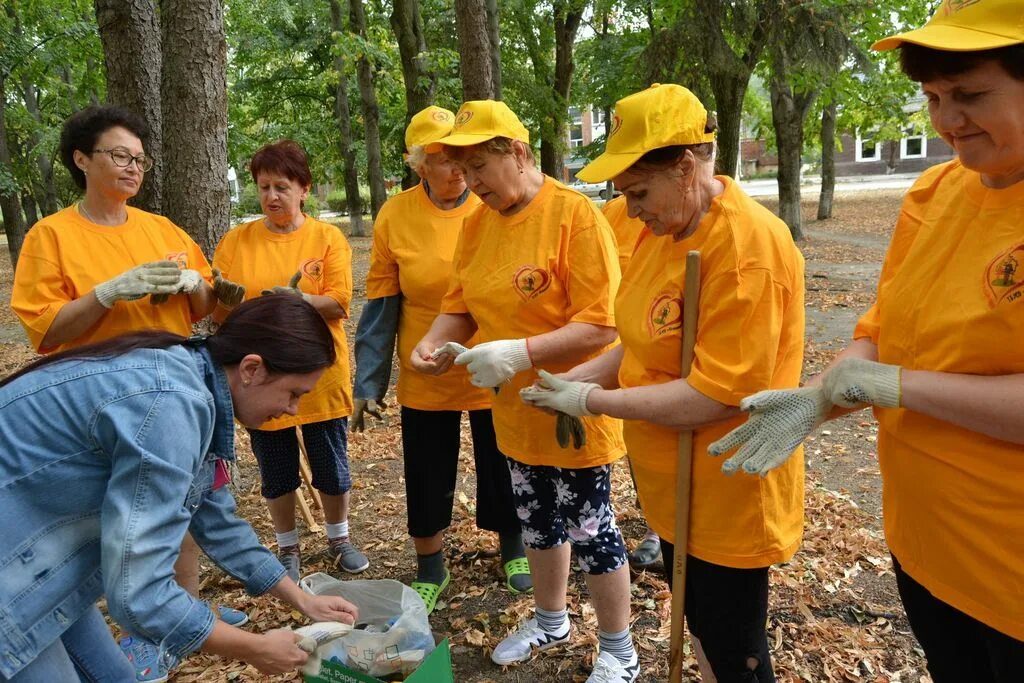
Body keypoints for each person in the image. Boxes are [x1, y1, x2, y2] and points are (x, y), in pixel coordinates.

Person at [708, 3, 1024, 680]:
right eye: (934, 97)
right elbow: (883, 328)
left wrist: (892, 387)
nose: (945, 120)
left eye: (969, 95)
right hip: (927, 549)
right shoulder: (937, 192)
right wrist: (827, 391)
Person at [522, 84, 805, 682]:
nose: (630, 208)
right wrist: (579, 376)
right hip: (674, 488)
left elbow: (715, 395)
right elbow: (641, 338)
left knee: (737, 652)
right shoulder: (661, 229)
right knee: (700, 626)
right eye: (623, 194)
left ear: (685, 167)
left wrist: (593, 400)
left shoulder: (747, 249)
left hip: (727, 491)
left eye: (638, 192)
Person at [0, 296, 360, 683]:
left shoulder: (195, 381)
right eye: (294, 394)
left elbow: (218, 521)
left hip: (40, 563)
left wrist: (303, 600)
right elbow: (140, 595)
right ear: (251, 368)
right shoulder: (170, 407)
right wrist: (253, 647)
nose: (293, 410)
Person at [9, 104, 249, 680]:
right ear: (81, 159)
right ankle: (102, 622)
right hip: (94, 408)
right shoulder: (53, 235)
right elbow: (45, 330)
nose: (132, 167)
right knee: (113, 518)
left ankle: (178, 624)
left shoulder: (161, 229)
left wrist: (203, 287)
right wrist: (108, 293)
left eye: (139, 158)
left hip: (172, 394)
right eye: (119, 155)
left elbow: (205, 310)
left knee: (181, 505)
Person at [410, 100, 636, 682]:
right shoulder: (479, 225)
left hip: (573, 406)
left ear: (517, 151)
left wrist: (518, 353)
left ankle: (619, 648)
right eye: (460, 168)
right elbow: (458, 307)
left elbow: (603, 323)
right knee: (537, 520)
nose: (469, 182)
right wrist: (433, 344)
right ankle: (551, 619)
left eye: (478, 167)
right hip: (513, 412)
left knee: (591, 527)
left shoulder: (574, 217)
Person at [352, 105, 530, 612]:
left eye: (461, 157)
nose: (456, 168)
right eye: (440, 157)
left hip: (492, 362)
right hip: (428, 367)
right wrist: (369, 383)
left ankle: (512, 546)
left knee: (503, 460)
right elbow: (382, 308)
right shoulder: (396, 215)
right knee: (427, 467)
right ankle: (430, 562)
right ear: (417, 164)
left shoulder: (491, 204)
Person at [212, 140, 368, 582]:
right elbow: (222, 309)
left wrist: (301, 299)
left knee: (330, 461)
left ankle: (339, 538)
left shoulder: (326, 237)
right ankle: (287, 548)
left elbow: (339, 302)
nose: (272, 196)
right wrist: (220, 299)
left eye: (282, 186)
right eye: (263, 187)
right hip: (261, 380)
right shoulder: (237, 240)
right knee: (276, 466)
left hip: (318, 370)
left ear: (304, 189)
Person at [601, 195, 662, 571]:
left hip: (666, 347)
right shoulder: (611, 214)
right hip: (622, 351)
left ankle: (659, 530)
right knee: (638, 440)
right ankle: (655, 520)